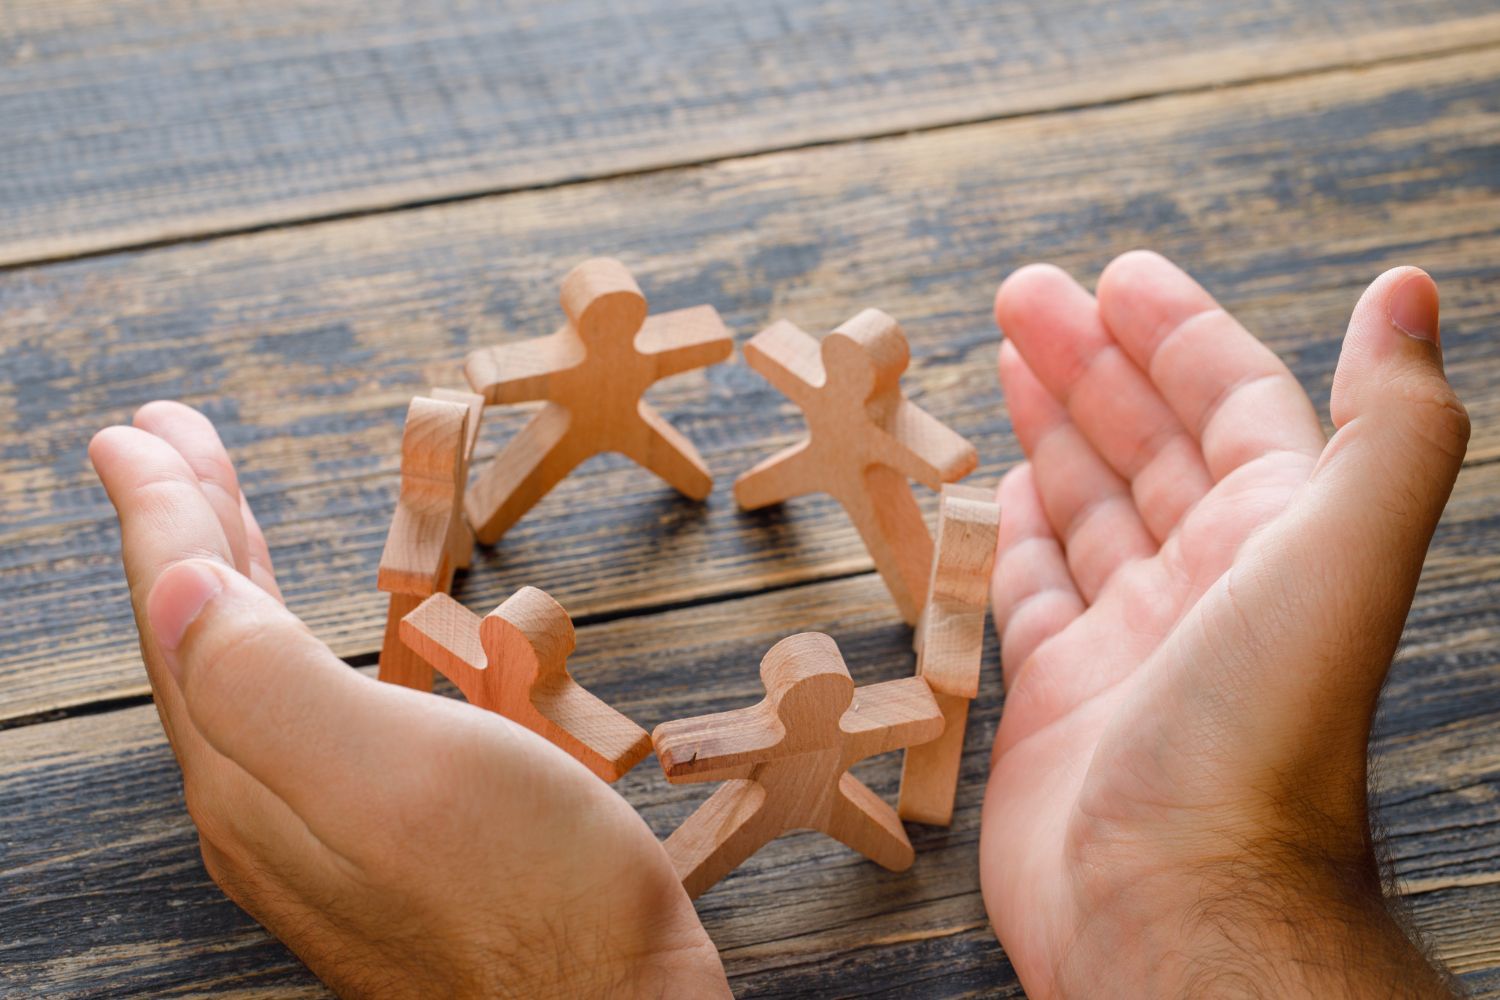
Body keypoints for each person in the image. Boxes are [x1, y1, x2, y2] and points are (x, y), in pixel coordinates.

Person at [89, 252, 1465, 997]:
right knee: (633, 489)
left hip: (830, 530)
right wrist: (1206, 891)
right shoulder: (544, 643)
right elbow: (677, 735)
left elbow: (706, 739)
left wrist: (582, 977)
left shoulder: (823, 706)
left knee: (875, 572)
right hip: (779, 499)